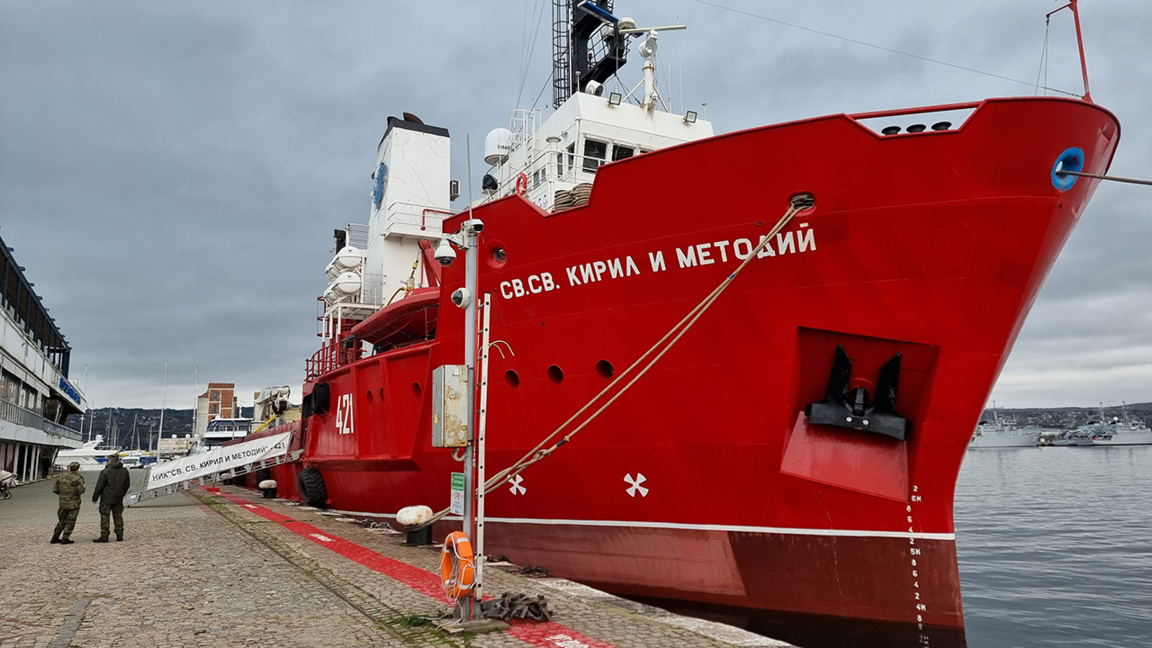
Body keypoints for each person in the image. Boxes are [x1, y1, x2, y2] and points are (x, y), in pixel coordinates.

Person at [92, 454, 130, 542]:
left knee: (105, 516)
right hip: (118, 498)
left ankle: (104, 535)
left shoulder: (105, 471)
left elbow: (99, 486)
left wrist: (95, 497)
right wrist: (122, 493)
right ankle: (119, 535)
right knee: (118, 516)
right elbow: (127, 485)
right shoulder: (124, 471)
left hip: (106, 498)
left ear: (110, 460)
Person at [51, 462, 86, 545]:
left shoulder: (62, 477)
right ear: (78, 468)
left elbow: (55, 489)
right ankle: (65, 537)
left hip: (63, 503)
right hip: (74, 503)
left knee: (61, 520)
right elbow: (82, 490)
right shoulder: (79, 478)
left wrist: (63, 495)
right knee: (71, 520)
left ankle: (55, 537)